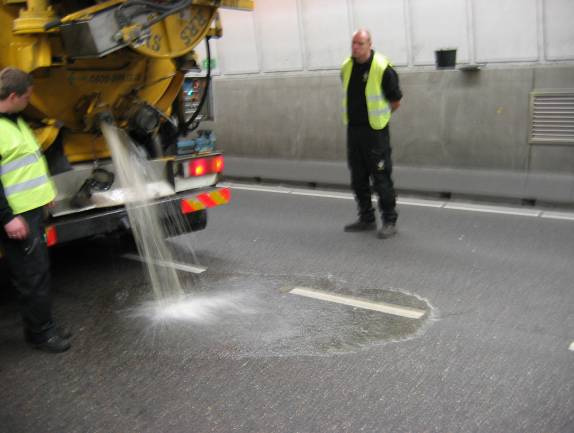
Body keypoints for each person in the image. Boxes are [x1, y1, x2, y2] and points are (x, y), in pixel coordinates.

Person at [0, 67, 70, 353]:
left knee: (37, 271)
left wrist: (46, 195)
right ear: (13, 95)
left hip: (30, 210)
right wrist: (8, 218)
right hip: (17, 216)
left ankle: (42, 325)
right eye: (27, 97)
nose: (30, 102)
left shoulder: (15, 120)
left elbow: (29, 163)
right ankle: (41, 334)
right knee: (32, 275)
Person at [341, 29, 403, 239]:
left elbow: (395, 101)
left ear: (369, 44)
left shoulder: (382, 67)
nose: (355, 47)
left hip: (375, 132)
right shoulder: (347, 67)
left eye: (360, 43)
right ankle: (366, 218)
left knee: (381, 177)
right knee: (358, 177)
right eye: (353, 43)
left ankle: (389, 220)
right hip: (354, 131)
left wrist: (381, 119)